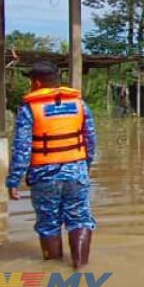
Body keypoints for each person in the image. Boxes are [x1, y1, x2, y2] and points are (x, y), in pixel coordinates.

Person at [6, 60, 97, 268]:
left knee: (48, 224)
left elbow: (22, 149)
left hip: (44, 176)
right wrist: (85, 166)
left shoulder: (29, 109)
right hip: (76, 172)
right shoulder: (79, 104)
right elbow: (91, 140)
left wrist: (13, 181)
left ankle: (53, 271)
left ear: (37, 83)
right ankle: (80, 268)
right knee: (80, 219)